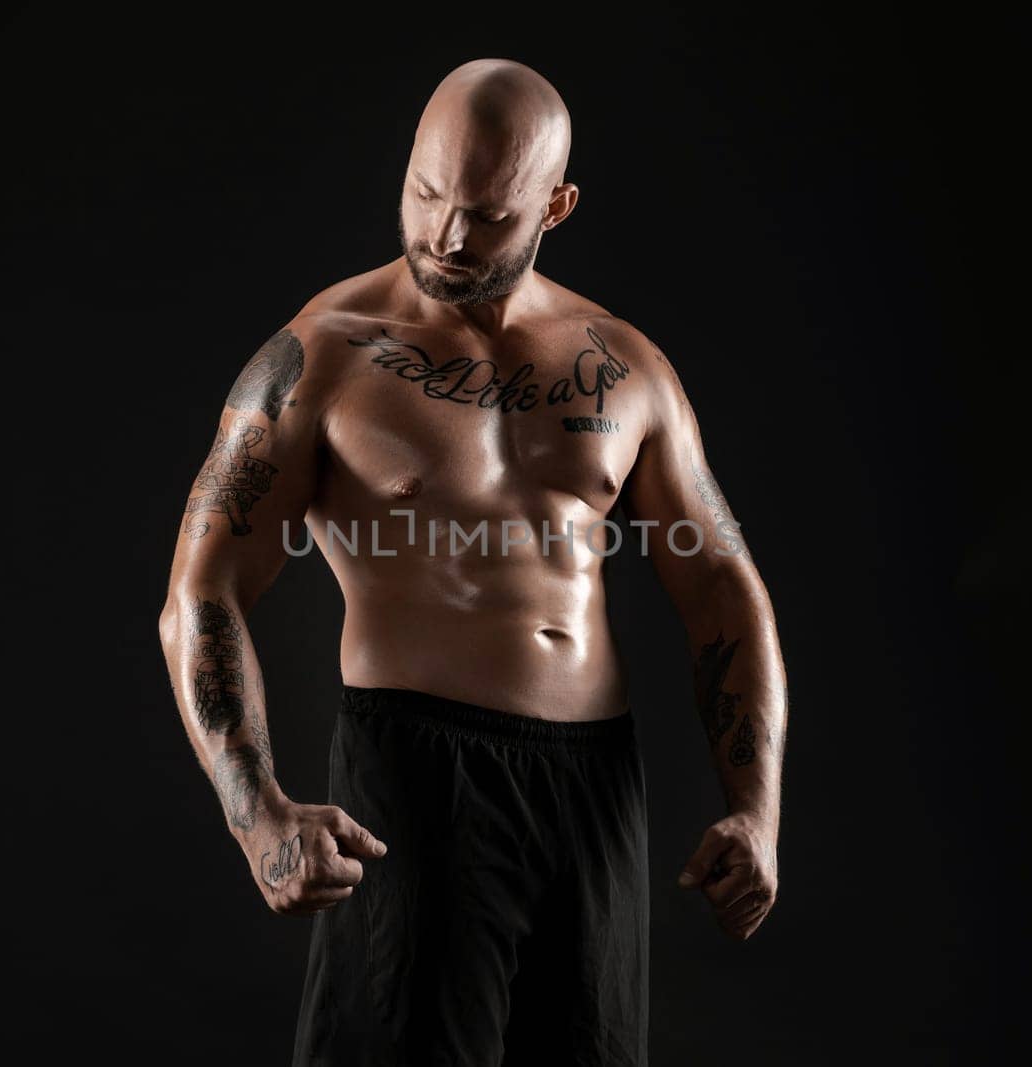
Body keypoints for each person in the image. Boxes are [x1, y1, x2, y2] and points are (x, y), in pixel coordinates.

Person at [157, 56, 788, 1066]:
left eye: (491, 215)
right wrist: (254, 809)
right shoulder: (321, 352)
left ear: (557, 203)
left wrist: (755, 810)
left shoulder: (626, 363)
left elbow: (719, 587)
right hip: (417, 774)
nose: (448, 237)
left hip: (592, 787)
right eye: (426, 195)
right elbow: (201, 590)